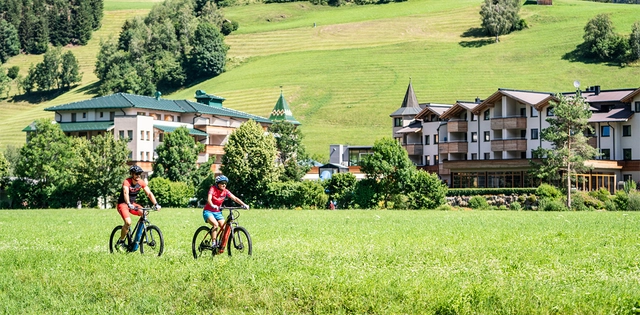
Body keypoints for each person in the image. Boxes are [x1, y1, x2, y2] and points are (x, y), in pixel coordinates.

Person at [115, 165, 161, 248]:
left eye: (139, 174)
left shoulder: (141, 182)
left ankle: (137, 238)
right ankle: (121, 241)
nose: (138, 176)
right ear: (132, 174)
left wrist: (156, 204)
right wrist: (128, 203)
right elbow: (126, 193)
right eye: (136, 174)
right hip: (123, 204)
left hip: (132, 204)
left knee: (145, 213)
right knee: (128, 222)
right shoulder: (127, 182)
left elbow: (149, 193)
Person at [203, 175, 249, 247]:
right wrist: (212, 205)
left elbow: (235, 198)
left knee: (224, 229)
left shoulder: (225, 191)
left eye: (225, 183)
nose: (224, 184)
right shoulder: (213, 189)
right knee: (215, 225)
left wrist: (244, 204)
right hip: (208, 211)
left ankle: (220, 244)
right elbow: (209, 199)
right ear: (217, 183)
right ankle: (214, 242)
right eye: (222, 183)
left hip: (218, 212)